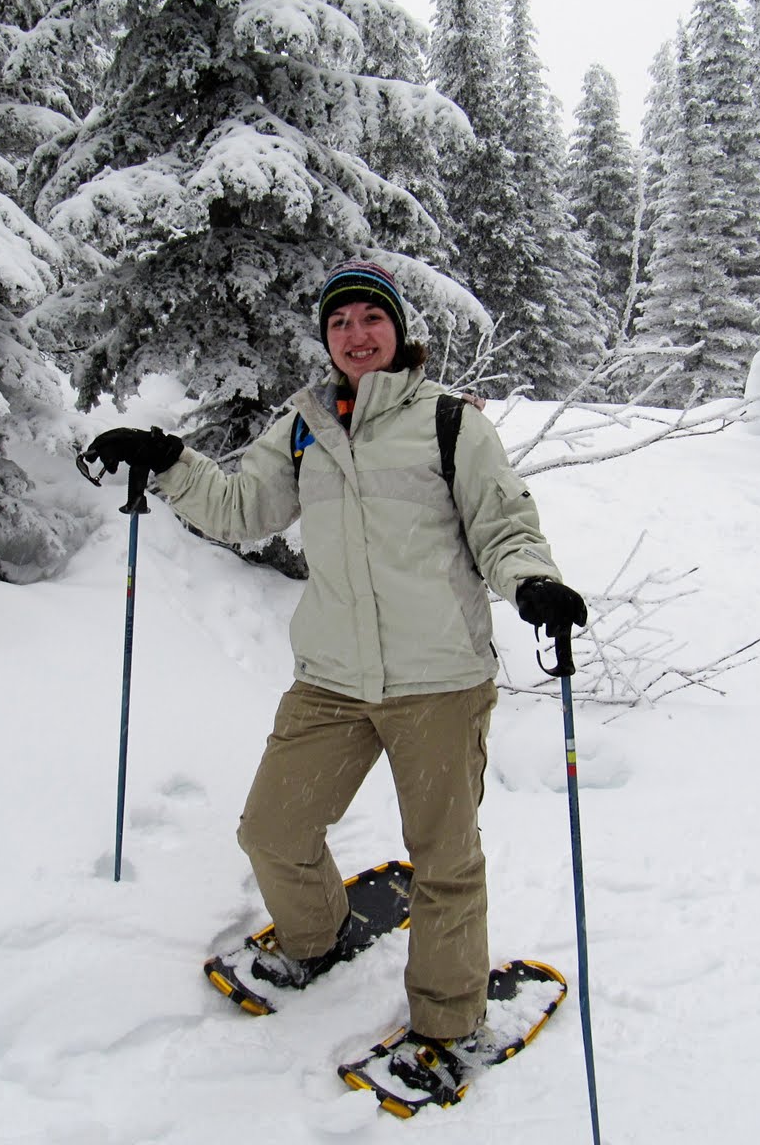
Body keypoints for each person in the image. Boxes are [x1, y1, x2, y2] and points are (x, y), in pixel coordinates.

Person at [81, 259, 586, 1088]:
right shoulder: (304, 425)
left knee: (446, 859)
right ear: (327, 339)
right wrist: (169, 459)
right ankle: (314, 937)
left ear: (397, 330)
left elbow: (504, 524)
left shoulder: (451, 423)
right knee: (272, 832)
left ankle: (451, 1021)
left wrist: (532, 581)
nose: (356, 334)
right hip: (333, 677)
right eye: (340, 322)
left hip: (439, 679)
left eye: (370, 319)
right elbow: (243, 508)